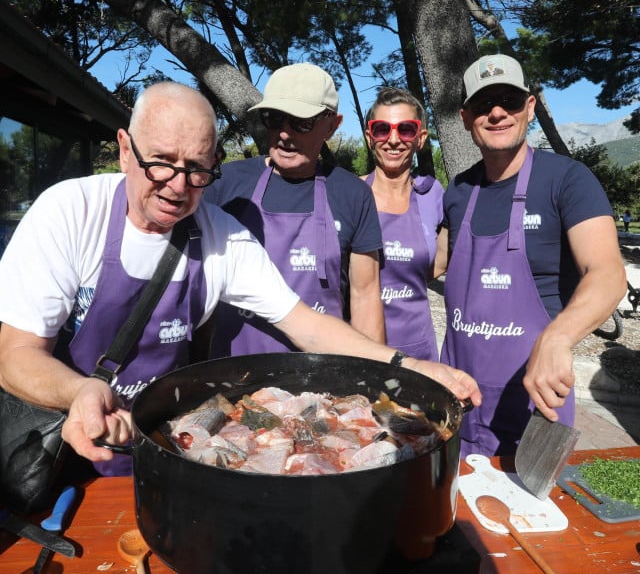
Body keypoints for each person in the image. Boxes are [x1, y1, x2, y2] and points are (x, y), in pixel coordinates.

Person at [0, 82, 481, 479]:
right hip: (63, 447)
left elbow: (305, 323)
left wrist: (409, 364)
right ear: (126, 150)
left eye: (196, 169)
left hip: (167, 447)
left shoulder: (219, 234)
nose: (177, 185)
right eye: (161, 162)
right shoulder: (69, 213)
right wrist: (78, 391)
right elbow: (15, 356)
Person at [438, 54, 626, 457]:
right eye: (483, 105)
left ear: (530, 106)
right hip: (455, 398)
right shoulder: (457, 191)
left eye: (508, 99)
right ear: (466, 116)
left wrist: (558, 338)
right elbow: (432, 265)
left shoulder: (567, 179)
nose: (497, 112)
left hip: (534, 404)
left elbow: (608, 272)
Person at [205, 63, 385, 356]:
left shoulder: (354, 194)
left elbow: (365, 297)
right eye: (274, 119)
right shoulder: (225, 185)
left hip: (322, 379)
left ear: (332, 125)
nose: (285, 134)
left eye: (301, 122)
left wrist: (376, 379)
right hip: (235, 375)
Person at [362, 87, 444, 360]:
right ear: (369, 137)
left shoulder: (433, 195)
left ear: (420, 138)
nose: (394, 139)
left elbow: (439, 263)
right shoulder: (350, 194)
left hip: (419, 351)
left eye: (406, 129)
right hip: (359, 350)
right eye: (382, 129)